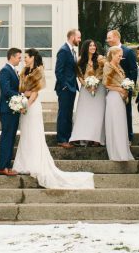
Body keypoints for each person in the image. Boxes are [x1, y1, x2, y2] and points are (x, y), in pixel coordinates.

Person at [13, 49, 94, 189]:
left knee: (34, 134)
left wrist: (26, 104)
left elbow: (35, 92)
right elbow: (22, 89)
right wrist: (22, 99)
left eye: (26, 57)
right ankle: (24, 162)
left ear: (32, 57)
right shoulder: (24, 71)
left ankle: (34, 163)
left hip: (32, 106)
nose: (24, 59)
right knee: (26, 134)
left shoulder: (39, 71)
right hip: (24, 105)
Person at [70, 40, 106, 146]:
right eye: (91, 45)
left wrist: (96, 83)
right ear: (86, 47)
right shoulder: (80, 60)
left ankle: (97, 138)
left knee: (98, 114)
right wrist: (87, 85)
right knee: (85, 113)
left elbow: (106, 72)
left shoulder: (100, 59)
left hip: (99, 89)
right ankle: (85, 136)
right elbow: (79, 76)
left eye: (94, 45)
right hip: (85, 90)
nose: (93, 47)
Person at [103, 46, 134, 161]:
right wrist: (120, 89)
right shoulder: (108, 65)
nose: (120, 58)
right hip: (113, 97)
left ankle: (123, 151)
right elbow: (106, 84)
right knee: (115, 124)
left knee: (121, 124)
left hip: (120, 98)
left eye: (121, 56)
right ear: (112, 55)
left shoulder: (119, 66)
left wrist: (126, 88)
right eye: (119, 56)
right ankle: (116, 153)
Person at [106, 30, 138, 142]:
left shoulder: (128, 52)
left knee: (126, 112)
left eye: (109, 37)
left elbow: (133, 70)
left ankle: (128, 137)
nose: (107, 40)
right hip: (112, 89)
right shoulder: (108, 52)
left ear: (116, 37)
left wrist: (128, 86)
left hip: (125, 88)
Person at [0, 48, 22, 176]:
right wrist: (22, 95)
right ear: (11, 57)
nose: (20, 59)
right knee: (7, 138)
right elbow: (6, 91)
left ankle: (7, 165)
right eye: (18, 57)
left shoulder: (13, 70)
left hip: (13, 109)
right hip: (7, 109)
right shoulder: (5, 71)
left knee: (11, 138)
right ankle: (3, 166)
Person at [55, 29, 81, 148]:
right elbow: (58, 71)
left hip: (72, 87)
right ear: (72, 37)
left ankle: (69, 137)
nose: (79, 40)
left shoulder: (72, 51)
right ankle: (61, 139)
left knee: (69, 113)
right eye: (78, 38)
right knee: (63, 114)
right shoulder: (63, 51)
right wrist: (65, 86)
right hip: (65, 88)